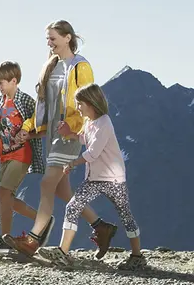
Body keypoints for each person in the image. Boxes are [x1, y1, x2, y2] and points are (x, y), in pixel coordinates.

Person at [4, 20, 116, 257]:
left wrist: (78, 131)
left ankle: (34, 240)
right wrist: (28, 127)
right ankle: (101, 227)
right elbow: (44, 105)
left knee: (47, 184)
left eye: (53, 38)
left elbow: (90, 103)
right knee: (62, 191)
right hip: (52, 134)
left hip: (69, 134)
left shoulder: (80, 66)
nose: (49, 43)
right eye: (48, 39)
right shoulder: (51, 67)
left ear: (68, 38)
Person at [41, 83, 145, 270]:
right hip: (94, 178)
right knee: (73, 206)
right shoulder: (90, 123)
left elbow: (93, 152)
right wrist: (70, 134)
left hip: (113, 179)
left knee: (125, 215)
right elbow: (84, 139)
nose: (78, 107)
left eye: (80, 104)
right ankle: (62, 253)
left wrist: (72, 164)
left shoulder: (105, 122)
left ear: (91, 103)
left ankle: (137, 256)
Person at [0, 61, 42, 247]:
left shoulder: (26, 101)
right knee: (5, 196)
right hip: (5, 155)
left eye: (1, 83)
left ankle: (6, 238)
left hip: (22, 154)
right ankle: (42, 219)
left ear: (13, 81)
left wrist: (28, 135)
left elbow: (42, 125)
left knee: (4, 193)